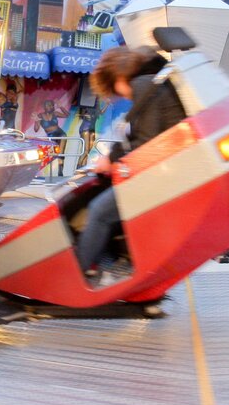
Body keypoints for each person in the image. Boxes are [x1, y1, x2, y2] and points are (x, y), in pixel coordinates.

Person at [75, 46, 186, 282]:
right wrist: (113, 159)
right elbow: (138, 135)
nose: (120, 95)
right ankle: (109, 262)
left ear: (119, 77)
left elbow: (146, 141)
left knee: (98, 212)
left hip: (163, 174)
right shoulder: (152, 82)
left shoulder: (144, 86)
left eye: (114, 87)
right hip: (169, 170)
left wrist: (112, 160)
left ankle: (75, 276)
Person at [33, 97, 70, 176]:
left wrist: (60, 106)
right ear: (44, 107)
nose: (49, 107)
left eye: (51, 105)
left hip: (60, 133)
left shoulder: (55, 113)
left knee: (61, 152)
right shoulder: (40, 115)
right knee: (49, 154)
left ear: (53, 106)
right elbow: (36, 129)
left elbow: (67, 115)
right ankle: (37, 172)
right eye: (47, 105)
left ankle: (60, 172)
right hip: (50, 136)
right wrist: (36, 121)